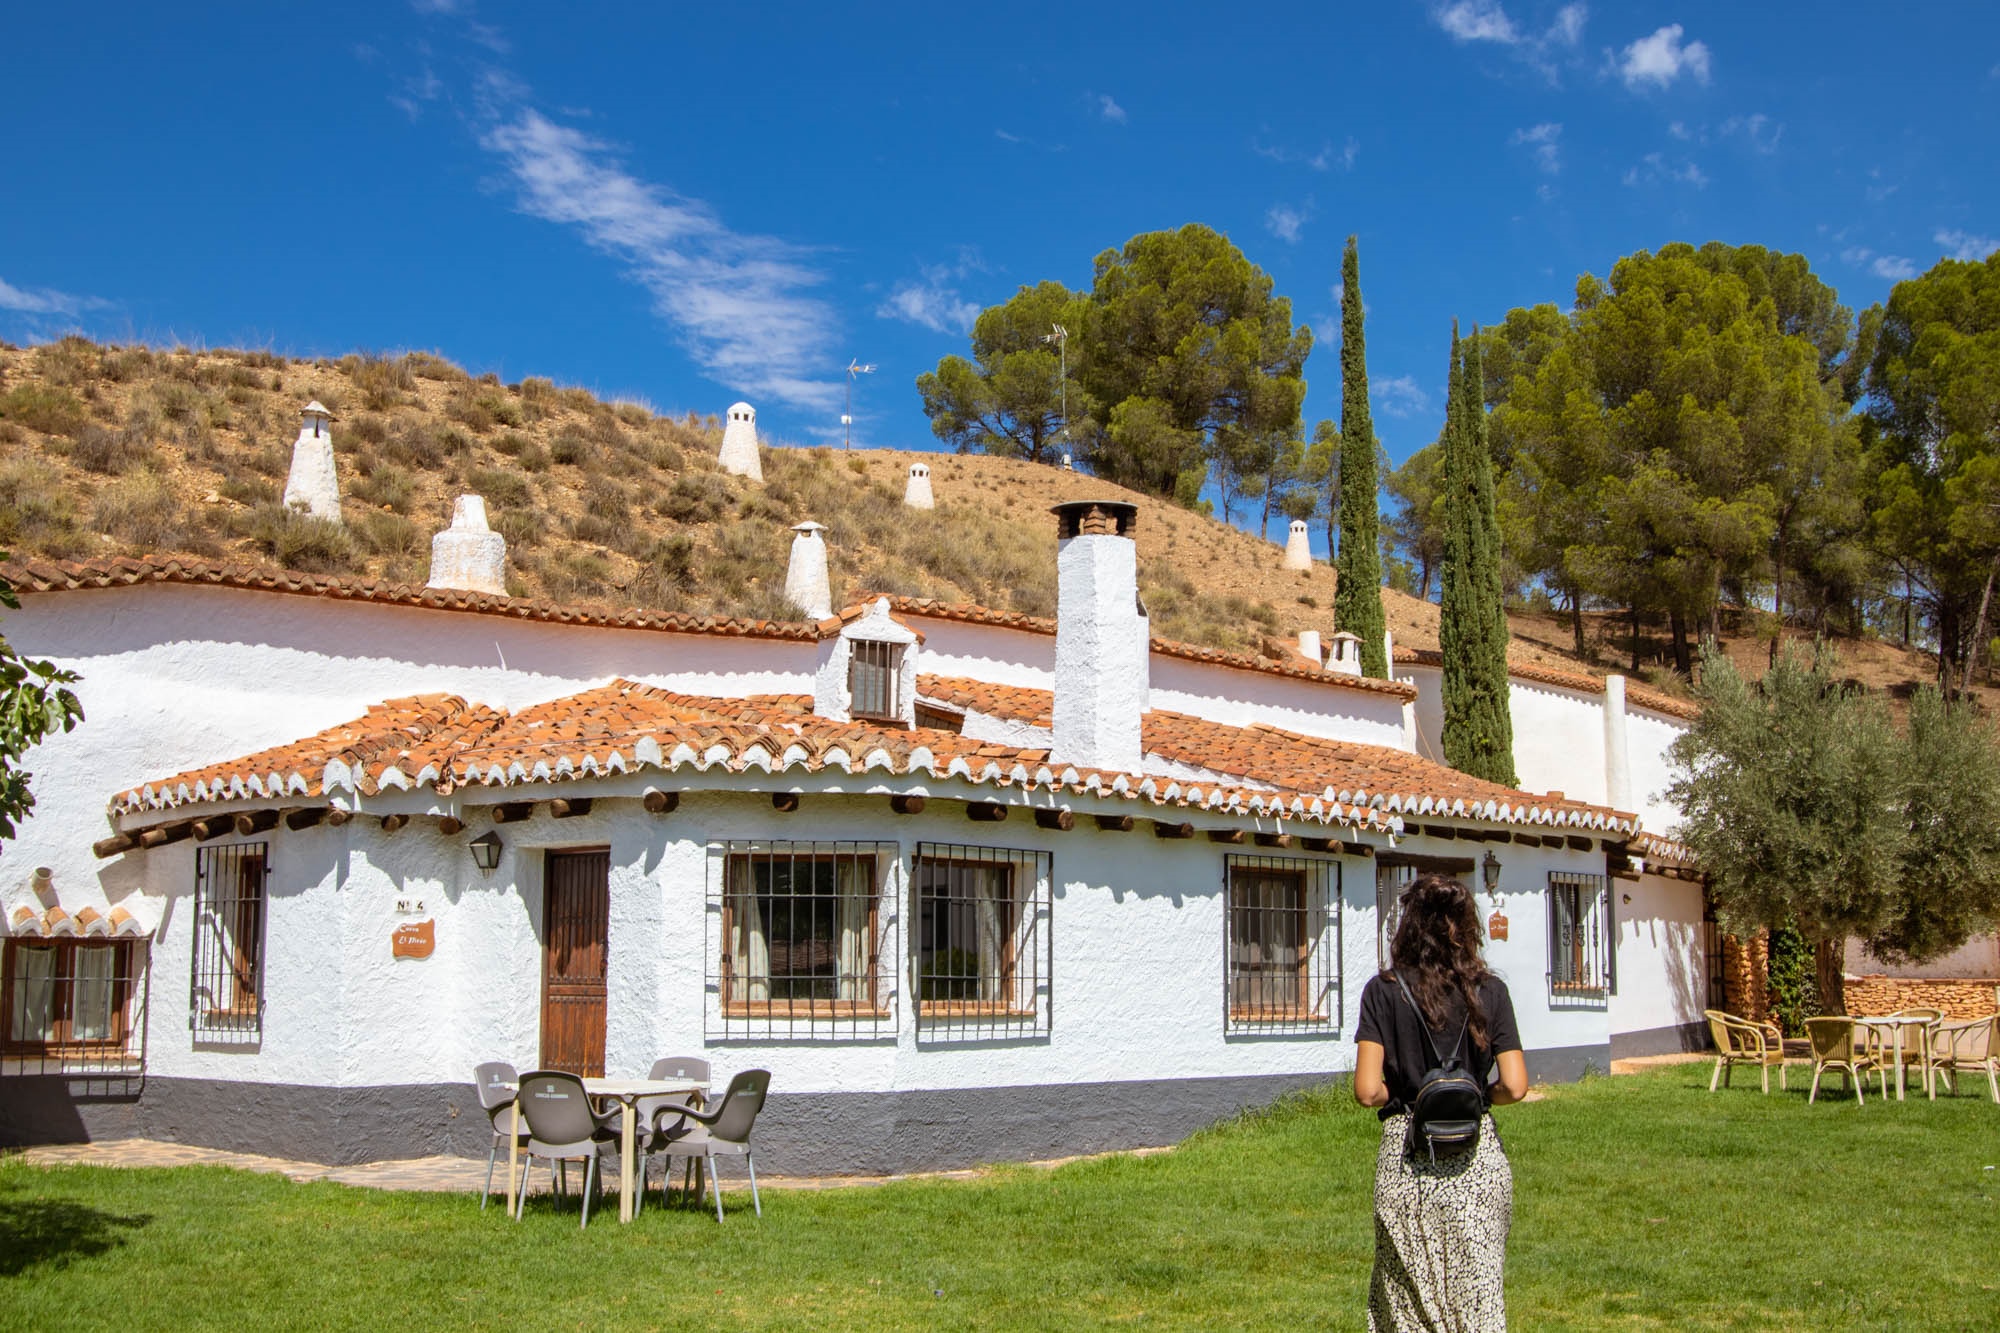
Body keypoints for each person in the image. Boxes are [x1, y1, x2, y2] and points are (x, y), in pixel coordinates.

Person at [1353, 873, 1529, 1332]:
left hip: (1408, 1160)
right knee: (1478, 1301)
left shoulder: (1383, 991)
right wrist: (1474, 1094)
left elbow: (1368, 1090)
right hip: (1476, 1162)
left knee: (1407, 1306)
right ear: (1467, 927)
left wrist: (1410, 1092)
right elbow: (1515, 1084)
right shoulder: (1491, 992)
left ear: (1409, 926)